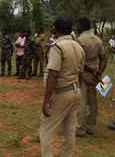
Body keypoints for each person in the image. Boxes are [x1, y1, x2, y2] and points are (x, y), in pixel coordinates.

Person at [39, 18, 85, 157]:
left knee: (47, 129)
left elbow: (53, 74)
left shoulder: (58, 47)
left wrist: (46, 101)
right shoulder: (78, 47)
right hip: (75, 91)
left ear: (56, 29)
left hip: (62, 93)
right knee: (69, 131)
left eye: (53, 26)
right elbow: (80, 74)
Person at [75, 16, 107, 138]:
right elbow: (103, 59)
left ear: (81, 26)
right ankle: (90, 126)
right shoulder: (98, 40)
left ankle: (80, 128)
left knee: (82, 101)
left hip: (83, 73)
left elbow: (80, 61)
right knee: (92, 100)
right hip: (94, 75)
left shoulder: (79, 40)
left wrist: (92, 70)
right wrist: (99, 71)